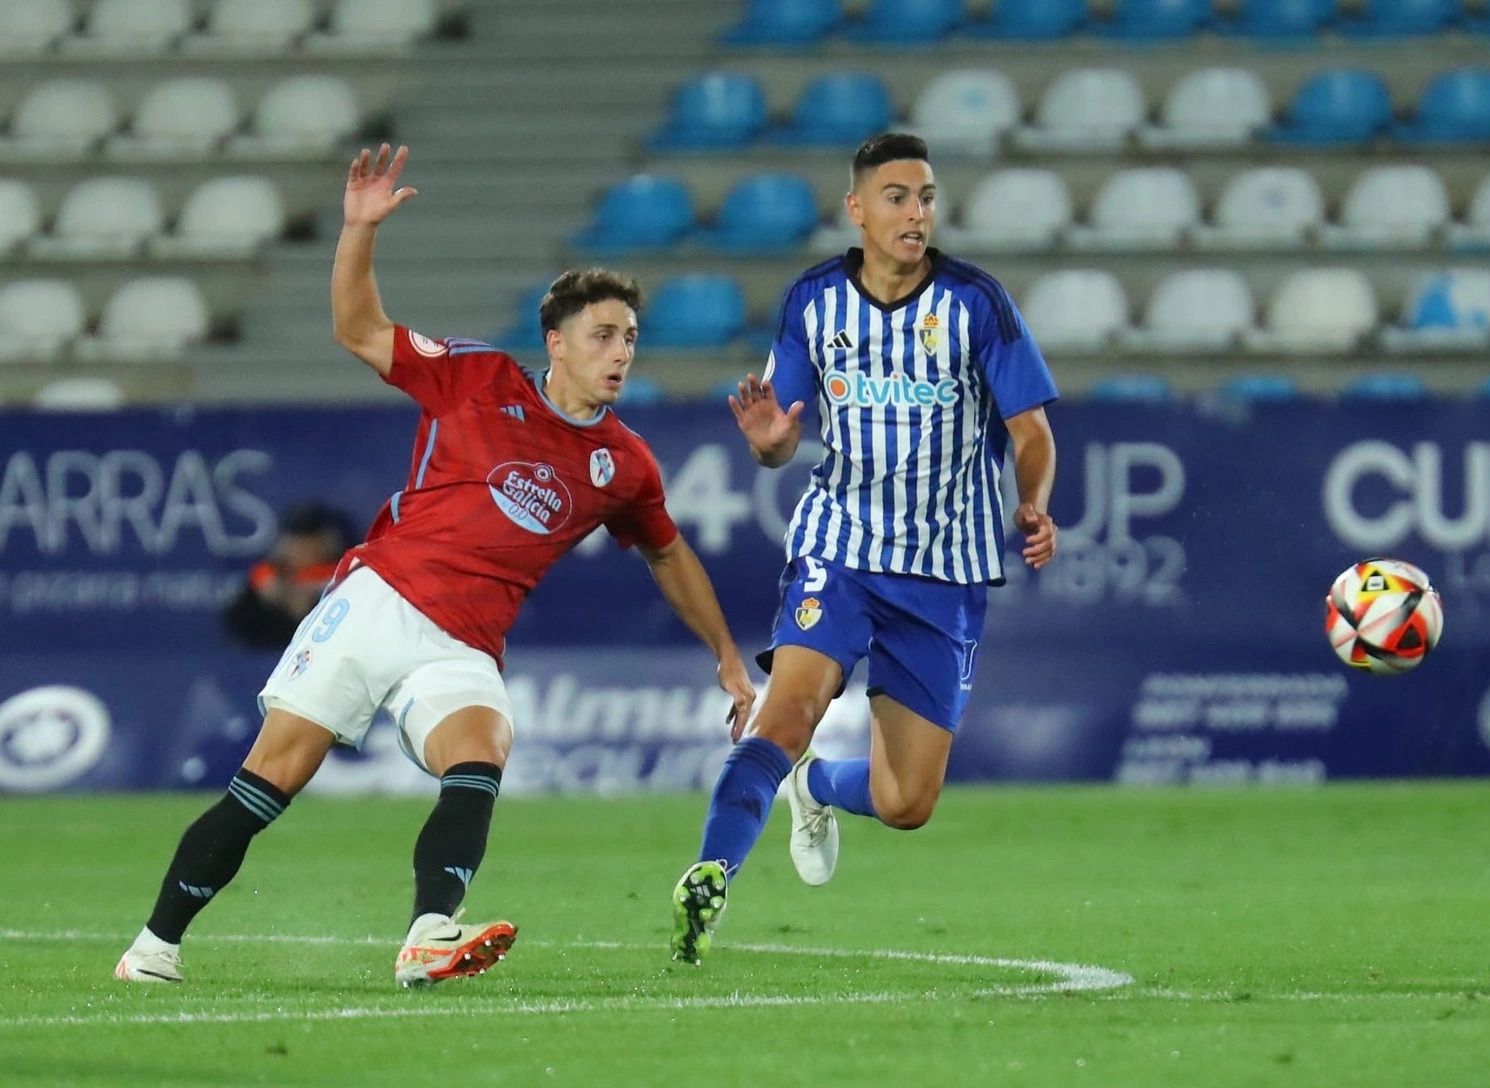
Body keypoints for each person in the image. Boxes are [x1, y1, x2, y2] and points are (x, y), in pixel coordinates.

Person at [115, 144, 756, 987]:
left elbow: (668, 555)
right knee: (272, 778)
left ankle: (427, 934)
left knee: (481, 751)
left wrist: (725, 655)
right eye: (603, 335)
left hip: (466, 643)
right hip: (381, 600)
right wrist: (358, 231)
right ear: (555, 342)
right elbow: (357, 329)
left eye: (630, 337)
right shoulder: (476, 377)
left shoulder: (625, 463)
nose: (621, 352)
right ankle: (153, 948)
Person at [670, 133, 1058, 963]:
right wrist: (771, 442)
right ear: (857, 209)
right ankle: (710, 872)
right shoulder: (814, 300)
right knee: (787, 711)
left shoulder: (976, 303)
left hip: (944, 570)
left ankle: (816, 784)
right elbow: (779, 437)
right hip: (840, 547)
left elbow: (1032, 430)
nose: (916, 213)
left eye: (925, 197)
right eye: (896, 196)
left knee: (906, 799)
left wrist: (1033, 502)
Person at [223, 501, 357, 649]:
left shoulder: (345, 576)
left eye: (311, 539)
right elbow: (240, 630)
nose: (301, 547)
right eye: (296, 539)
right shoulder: (268, 577)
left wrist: (308, 609)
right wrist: (270, 604)